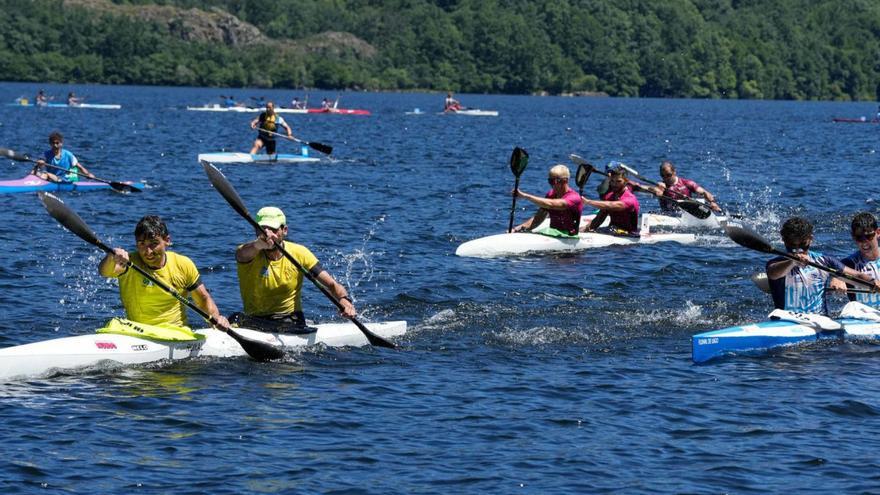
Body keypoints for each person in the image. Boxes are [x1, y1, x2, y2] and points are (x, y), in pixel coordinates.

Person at [232, 206, 356, 332]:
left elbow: (332, 285)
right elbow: (241, 255)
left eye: (273, 229)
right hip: (255, 320)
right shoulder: (248, 251)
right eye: (262, 230)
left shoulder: (299, 253)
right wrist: (258, 244)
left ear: (284, 230)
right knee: (235, 317)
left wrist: (344, 300)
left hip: (290, 320)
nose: (268, 234)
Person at [98, 215, 230, 329]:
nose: (148, 251)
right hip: (138, 331)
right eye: (142, 244)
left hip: (176, 333)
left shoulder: (183, 264)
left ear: (167, 240)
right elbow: (104, 272)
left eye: (153, 244)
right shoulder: (129, 263)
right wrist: (111, 257)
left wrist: (216, 319)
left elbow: (202, 299)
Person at [766, 216, 873, 315]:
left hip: (820, 321)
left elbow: (857, 276)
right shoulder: (775, 264)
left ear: (810, 239)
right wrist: (792, 261)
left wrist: (873, 283)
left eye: (803, 245)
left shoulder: (824, 261)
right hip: (786, 320)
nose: (798, 250)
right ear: (784, 241)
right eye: (792, 246)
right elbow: (772, 274)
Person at [512, 164, 583, 236]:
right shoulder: (550, 195)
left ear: (565, 181)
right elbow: (537, 219)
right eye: (550, 181)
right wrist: (517, 229)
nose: (552, 184)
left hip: (569, 236)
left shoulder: (574, 198)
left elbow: (552, 204)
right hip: (553, 234)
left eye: (554, 181)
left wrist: (525, 196)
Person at [581, 165, 640, 235]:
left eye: (618, 181)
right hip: (612, 230)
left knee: (609, 229)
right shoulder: (609, 197)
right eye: (612, 181)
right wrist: (585, 229)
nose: (614, 184)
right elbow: (599, 218)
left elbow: (610, 205)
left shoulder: (630, 199)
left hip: (629, 234)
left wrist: (588, 202)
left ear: (626, 181)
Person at [652, 161, 721, 213]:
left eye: (668, 175)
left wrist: (712, 202)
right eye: (663, 176)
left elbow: (704, 192)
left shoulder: (687, 183)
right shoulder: (661, 186)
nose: (666, 178)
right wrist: (656, 191)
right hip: (668, 215)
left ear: (674, 172)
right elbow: (653, 189)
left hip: (687, 213)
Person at [842, 212, 880, 307]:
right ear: (853, 237)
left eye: (868, 236)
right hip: (862, 317)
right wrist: (837, 279)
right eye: (859, 238)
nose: (864, 242)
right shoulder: (848, 264)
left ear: (878, 233)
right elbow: (835, 271)